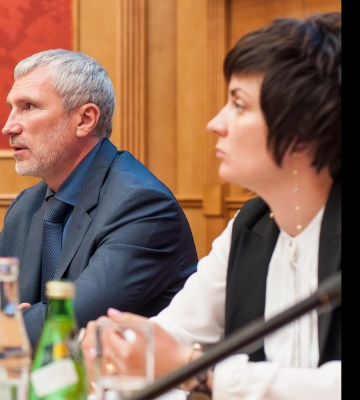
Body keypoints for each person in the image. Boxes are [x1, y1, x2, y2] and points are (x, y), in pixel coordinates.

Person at [81, 12, 341, 399]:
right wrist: (121, 348)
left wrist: (201, 374)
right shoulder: (249, 225)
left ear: (304, 128)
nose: (215, 123)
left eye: (239, 104)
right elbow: (173, 336)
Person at [0, 49, 199, 349]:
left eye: (28, 107)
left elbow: (64, 325)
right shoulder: (30, 204)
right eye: (11, 108)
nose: (8, 126)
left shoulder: (141, 206)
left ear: (85, 120)